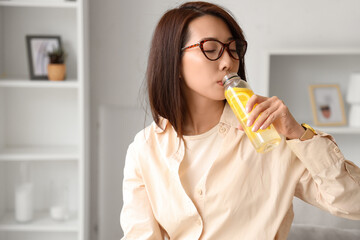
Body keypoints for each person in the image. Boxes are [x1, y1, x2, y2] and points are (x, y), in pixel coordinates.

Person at [120, 1, 360, 239]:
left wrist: (299, 134)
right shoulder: (145, 150)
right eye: (211, 50)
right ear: (174, 60)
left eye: (233, 49)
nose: (228, 62)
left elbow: (354, 203)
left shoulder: (271, 137)